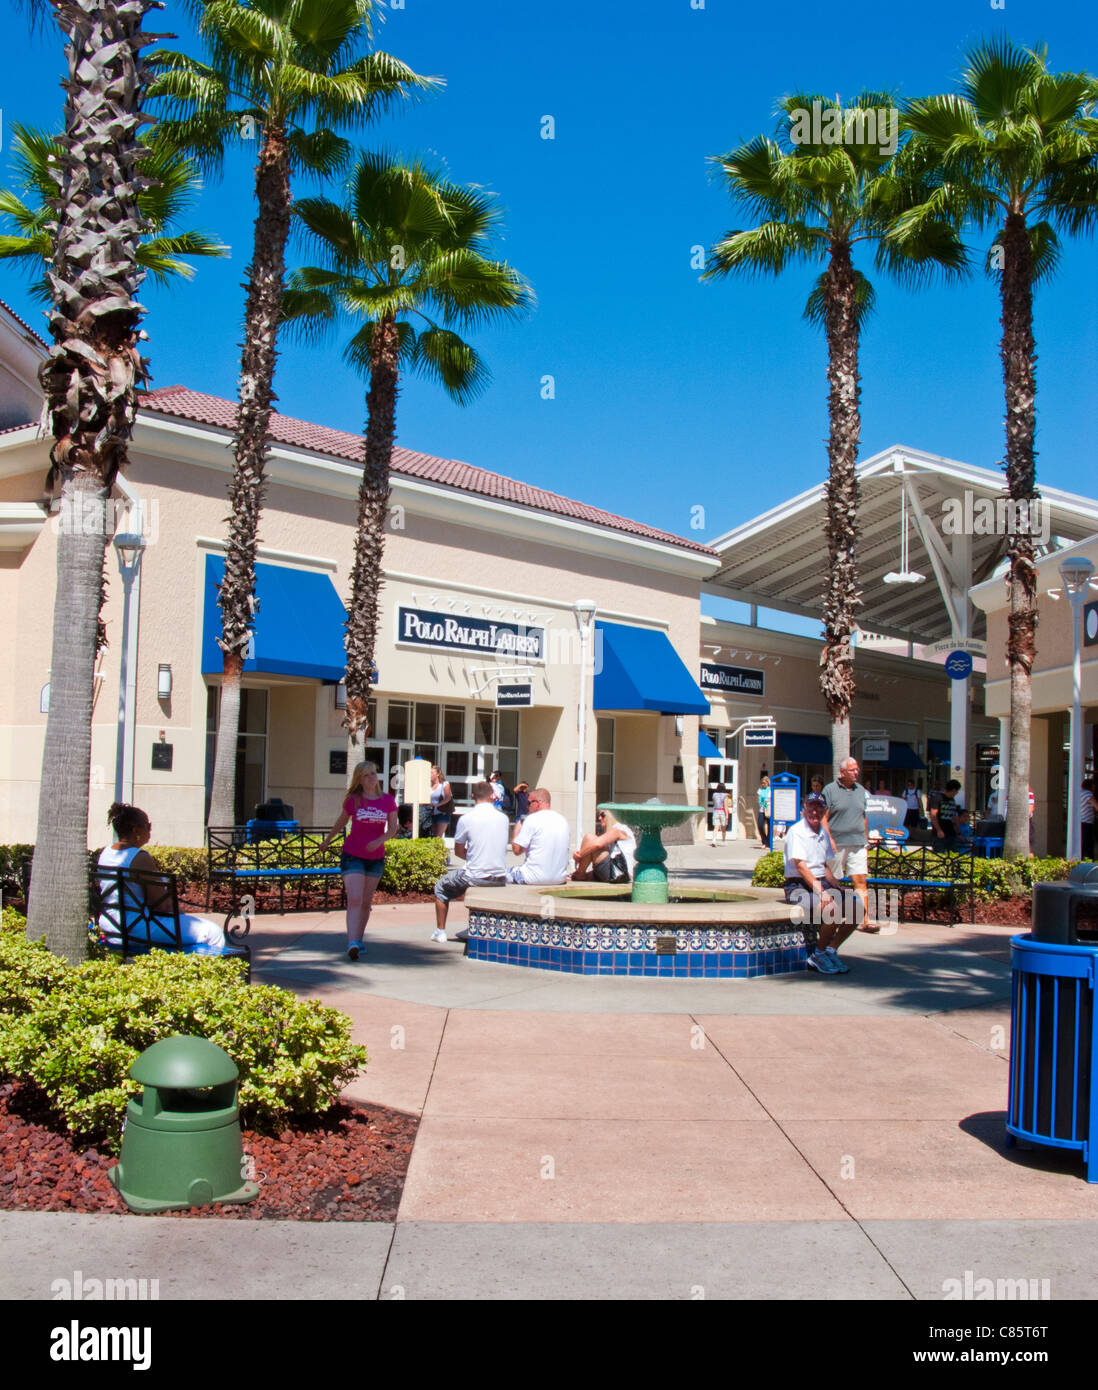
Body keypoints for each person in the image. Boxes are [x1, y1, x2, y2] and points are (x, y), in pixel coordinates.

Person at [97, 802, 225, 949]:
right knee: (214, 933)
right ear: (135, 830)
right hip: (137, 928)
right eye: (148, 826)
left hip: (110, 924)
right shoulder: (139, 857)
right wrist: (181, 913)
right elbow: (162, 905)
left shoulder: (106, 853)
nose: (150, 831)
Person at [319, 761, 399, 960]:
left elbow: (393, 828)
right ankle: (352, 942)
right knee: (354, 898)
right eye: (366, 775)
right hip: (353, 855)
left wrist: (379, 840)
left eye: (373, 773)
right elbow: (341, 822)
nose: (372, 778)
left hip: (375, 857)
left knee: (365, 901)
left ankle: (359, 939)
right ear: (359, 780)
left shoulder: (387, 800)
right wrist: (327, 841)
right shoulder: (354, 800)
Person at [783, 792, 854, 974]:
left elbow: (824, 866)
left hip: (820, 882)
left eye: (819, 807)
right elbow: (801, 867)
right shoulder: (797, 832)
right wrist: (822, 892)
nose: (815, 811)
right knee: (832, 909)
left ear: (824, 810)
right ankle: (818, 954)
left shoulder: (823, 833)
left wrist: (837, 886)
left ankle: (831, 950)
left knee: (856, 907)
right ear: (804, 808)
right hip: (798, 886)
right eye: (811, 806)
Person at [431, 780, 508, 941]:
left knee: (440, 887)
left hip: (475, 875)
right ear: (492, 796)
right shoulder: (503, 818)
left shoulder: (467, 818)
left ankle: (440, 931)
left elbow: (459, 851)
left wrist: (475, 857)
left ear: (472, 796)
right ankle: (474, 928)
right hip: (500, 876)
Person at [822, 756, 875, 931]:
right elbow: (824, 817)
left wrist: (866, 839)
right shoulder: (829, 790)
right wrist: (829, 839)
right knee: (834, 881)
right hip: (837, 843)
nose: (856, 773)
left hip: (858, 842)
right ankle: (832, 918)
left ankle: (865, 919)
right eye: (852, 770)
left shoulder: (861, 791)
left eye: (857, 769)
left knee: (860, 880)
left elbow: (863, 817)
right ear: (842, 772)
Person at [507, 787, 570, 884]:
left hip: (532, 877)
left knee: (497, 874)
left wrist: (517, 828)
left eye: (529, 803)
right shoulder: (563, 820)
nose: (527, 807)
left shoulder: (532, 819)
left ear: (538, 802)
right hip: (559, 878)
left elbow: (516, 850)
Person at [571, 809, 636, 881]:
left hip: (619, 872)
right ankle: (577, 875)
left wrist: (578, 855)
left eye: (602, 815)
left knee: (589, 838)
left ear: (611, 816)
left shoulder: (619, 829)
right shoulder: (618, 831)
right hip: (618, 873)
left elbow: (597, 844)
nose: (599, 818)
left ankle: (580, 874)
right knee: (592, 845)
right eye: (598, 816)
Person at [929, 779, 963, 850]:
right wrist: (939, 830)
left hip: (951, 832)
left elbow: (954, 816)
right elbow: (933, 815)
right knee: (940, 854)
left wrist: (958, 832)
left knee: (953, 853)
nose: (956, 793)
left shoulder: (952, 800)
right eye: (956, 791)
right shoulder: (938, 798)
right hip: (940, 832)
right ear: (953, 790)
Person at [429, 765, 454, 837]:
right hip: (432, 813)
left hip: (442, 812)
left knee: (438, 836)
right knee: (433, 835)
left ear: (438, 774)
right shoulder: (429, 785)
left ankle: (439, 848)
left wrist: (437, 805)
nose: (430, 774)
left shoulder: (444, 784)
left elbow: (448, 797)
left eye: (432, 772)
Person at [1080, 780, 1097, 861]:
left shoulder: (1080, 793)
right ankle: (1090, 861)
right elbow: (1096, 805)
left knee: (1083, 843)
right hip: (1087, 822)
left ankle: (1081, 859)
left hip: (1081, 821)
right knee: (1088, 843)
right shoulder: (1088, 794)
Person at [757, 774, 771, 844]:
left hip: (768, 809)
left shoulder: (771, 790)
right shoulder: (760, 790)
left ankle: (768, 842)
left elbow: (772, 799)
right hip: (762, 809)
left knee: (769, 826)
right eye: (762, 783)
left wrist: (767, 800)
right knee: (760, 825)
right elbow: (758, 799)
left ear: (768, 783)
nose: (763, 784)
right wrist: (761, 801)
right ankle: (764, 840)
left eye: (764, 783)